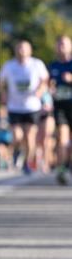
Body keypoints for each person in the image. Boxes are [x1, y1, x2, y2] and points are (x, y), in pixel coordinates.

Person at [0, 40, 48, 175]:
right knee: (17, 135)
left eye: (24, 48)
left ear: (30, 50)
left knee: (30, 138)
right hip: (14, 107)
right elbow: (0, 81)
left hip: (32, 107)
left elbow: (45, 79)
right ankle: (14, 155)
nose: (22, 51)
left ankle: (27, 162)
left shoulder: (37, 64)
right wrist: (3, 93)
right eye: (19, 48)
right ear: (15, 50)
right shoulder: (9, 66)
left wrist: (41, 90)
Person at [49, 34, 72, 184]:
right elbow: (46, 85)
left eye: (65, 44)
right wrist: (49, 91)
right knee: (62, 138)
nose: (62, 47)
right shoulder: (52, 66)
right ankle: (62, 169)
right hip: (60, 108)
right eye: (59, 44)